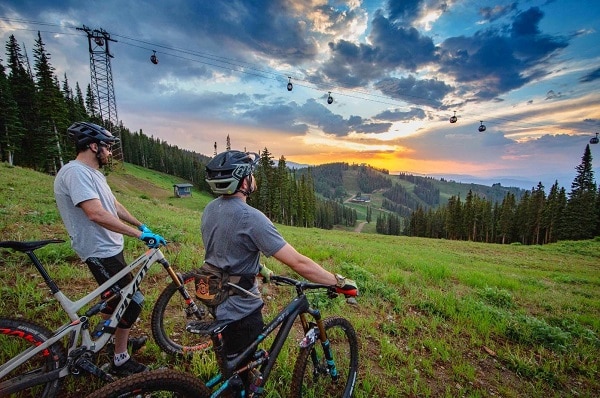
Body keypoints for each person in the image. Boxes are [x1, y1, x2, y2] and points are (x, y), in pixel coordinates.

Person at [200, 150, 358, 364]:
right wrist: (337, 282)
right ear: (243, 182)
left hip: (214, 295)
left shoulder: (210, 209)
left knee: (231, 359)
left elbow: (227, 250)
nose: (253, 178)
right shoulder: (251, 218)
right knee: (239, 376)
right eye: (251, 174)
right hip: (241, 309)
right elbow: (298, 262)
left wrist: (259, 268)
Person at [54, 121, 166, 376]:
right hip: (98, 250)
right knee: (132, 302)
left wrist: (142, 225)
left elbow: (113, 205)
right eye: (107, 147)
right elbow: (95, 214)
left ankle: (109, 341)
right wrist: (139, 235)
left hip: (110, 247)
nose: (110, 152)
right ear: (93, 146)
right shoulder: (75, 173)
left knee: (116, 300)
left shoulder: (93, 173)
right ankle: (120, 359)